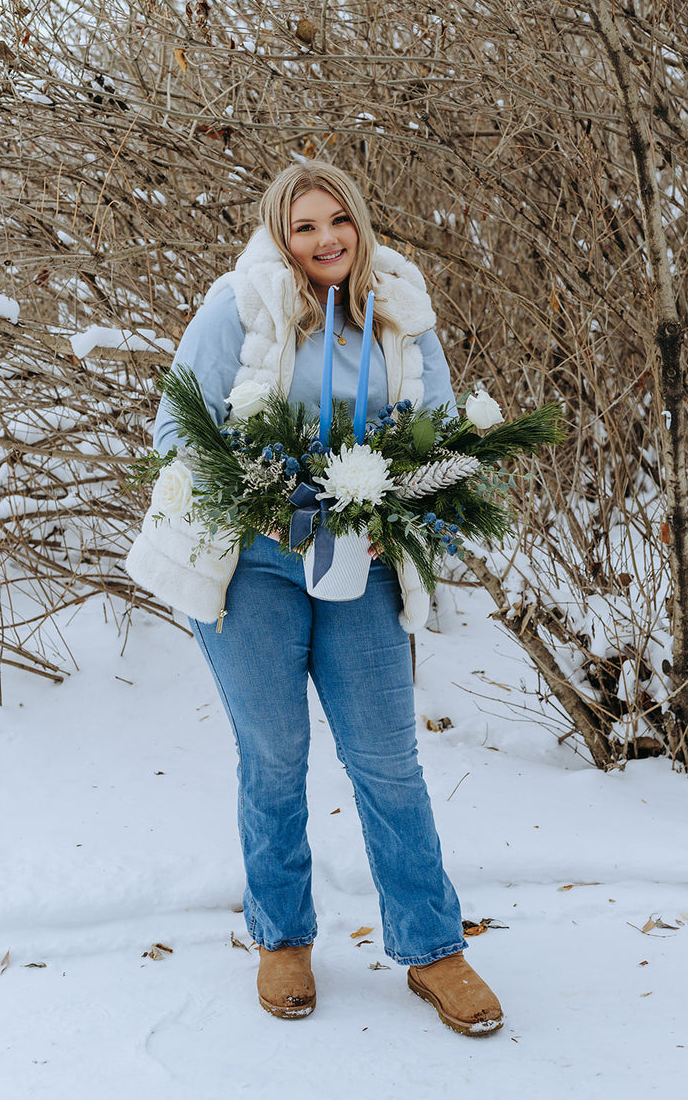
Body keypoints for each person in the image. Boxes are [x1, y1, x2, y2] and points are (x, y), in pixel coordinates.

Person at [126, 162, 504, 1036]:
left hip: (359, 559)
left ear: (360, 224)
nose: (326, 238)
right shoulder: (240, 304)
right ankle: (284, 938)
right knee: (274, 754)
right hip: (251, 559)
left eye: (339, 219)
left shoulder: (402, 308)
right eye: (305, 226)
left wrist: (406, 510)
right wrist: (253, 493)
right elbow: (177, 422)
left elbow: (440, 431)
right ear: (279, 234)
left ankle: (433, 947)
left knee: (386, 759)